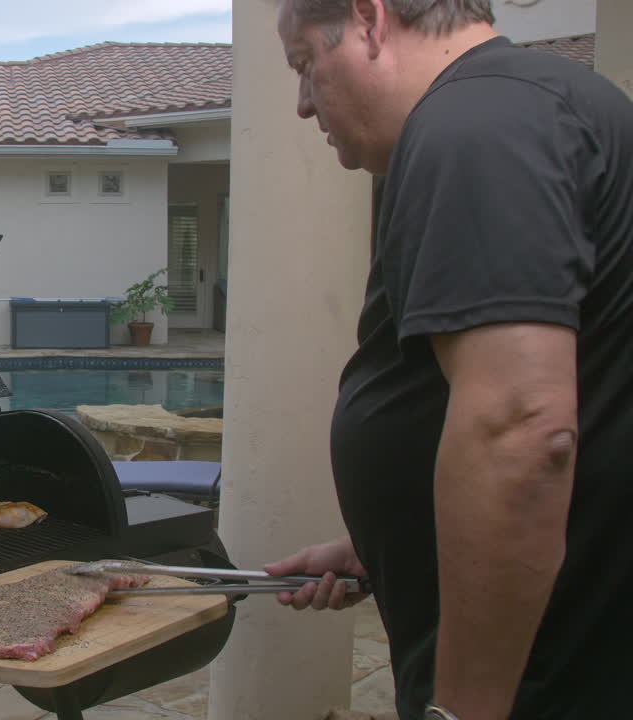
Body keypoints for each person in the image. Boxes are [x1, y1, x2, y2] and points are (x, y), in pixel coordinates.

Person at [266, 1, 633, 718]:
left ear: (370, 18)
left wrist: (460, 710)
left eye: (306, 64)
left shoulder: (478, 127)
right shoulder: (531, 107)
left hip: (551, 680)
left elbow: (521, 432)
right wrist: (388, 541)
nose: (304, 104)